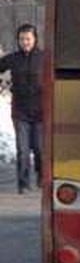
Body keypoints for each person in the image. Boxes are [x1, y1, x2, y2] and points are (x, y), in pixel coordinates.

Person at [2, 24, 44, 194]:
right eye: (21, 39)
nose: (25, 42)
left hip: (41, 111)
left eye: (28, 39)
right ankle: (23, 184)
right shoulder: (13, 58)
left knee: (39, 148)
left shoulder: (44, 58)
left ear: (35, 39)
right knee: (23, 150)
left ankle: (42, 177)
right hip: (20, 112)